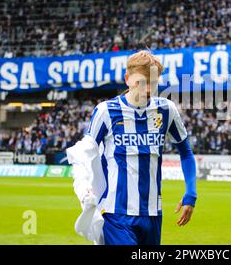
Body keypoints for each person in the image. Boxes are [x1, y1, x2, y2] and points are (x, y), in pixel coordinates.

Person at [67, 50, 197, 245]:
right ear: (128, 79)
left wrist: (191, 193)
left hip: (153, 213)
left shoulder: (166, 110)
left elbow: (185, 152)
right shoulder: (106, 111)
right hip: (116, 214)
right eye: (141, 82)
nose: (147, 90)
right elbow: (84, 153)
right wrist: (83, 186)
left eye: (153, 83)